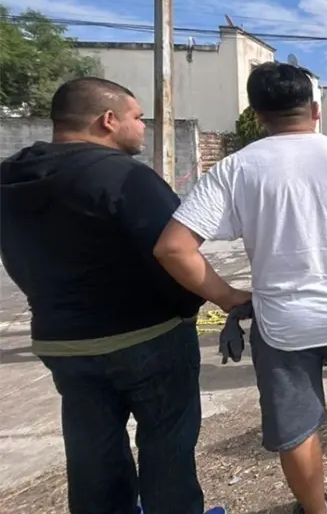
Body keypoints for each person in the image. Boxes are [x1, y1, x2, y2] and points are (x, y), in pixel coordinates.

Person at [153, 62, 327, 512]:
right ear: (316, 110)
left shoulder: (235, 168)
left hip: (282, 323)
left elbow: (173, 248)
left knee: (296, 427)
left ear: (257, 114)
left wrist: (228, 297)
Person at [0, 77, 224, 514]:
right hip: (146, 335)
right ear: (108, 120)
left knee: (92, 453)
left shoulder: (10, 177)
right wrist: (219, 298)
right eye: (138, 118)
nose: (143, 128)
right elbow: (173, 251)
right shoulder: (124, 177)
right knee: (167, 445)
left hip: (61, 340)